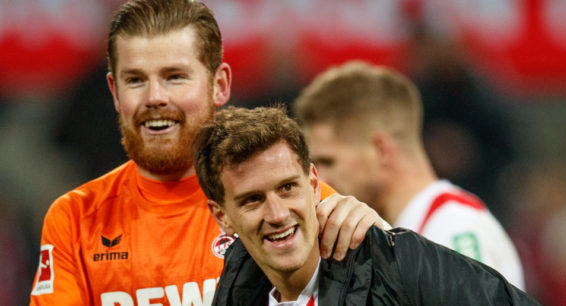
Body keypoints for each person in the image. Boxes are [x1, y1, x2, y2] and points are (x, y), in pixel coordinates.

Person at [29, 1, 383, 305]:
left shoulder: (294, 202)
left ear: (220, 85)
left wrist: (378, 237)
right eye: (135, 80)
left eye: (174, 77)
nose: (154, 97)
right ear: (115, 91)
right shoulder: (75, 219)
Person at [192, 105, 539, 305]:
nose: (278, 214)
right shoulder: (234, 295)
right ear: (222, 216)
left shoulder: (397, 263)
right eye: (252, 200)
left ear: (314, 186)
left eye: (287, 188)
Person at [293, 60, 525, 289]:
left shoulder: (455, 228)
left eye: (328, 162)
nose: (319, 180)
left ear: (381, 151)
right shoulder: (405, 236)